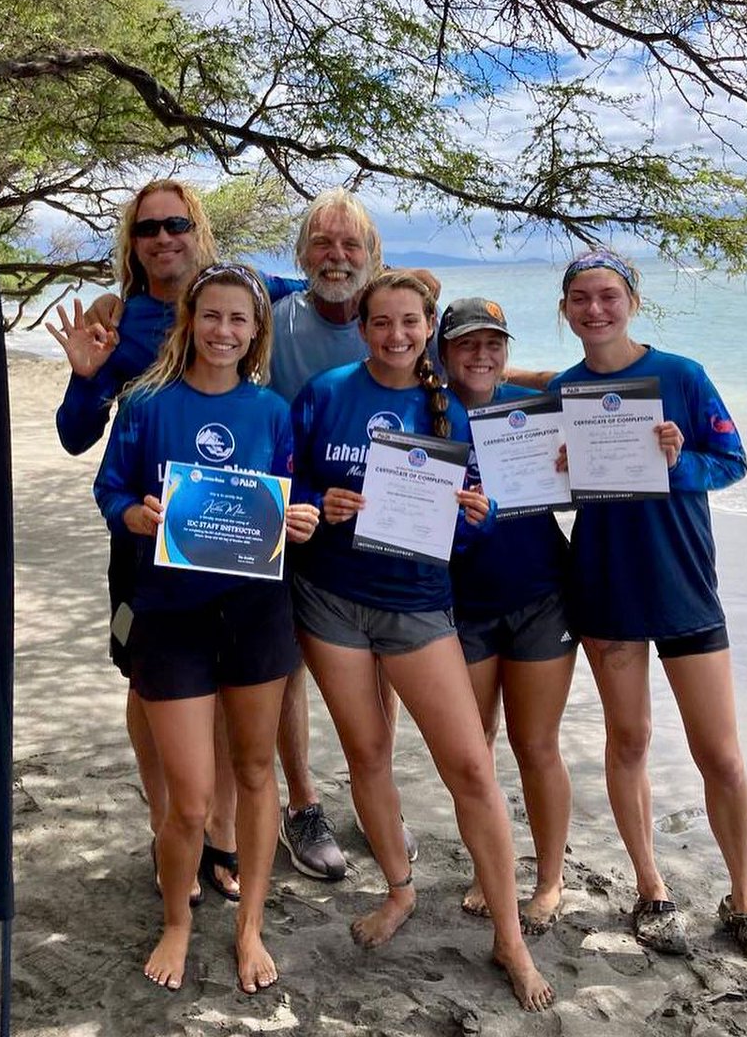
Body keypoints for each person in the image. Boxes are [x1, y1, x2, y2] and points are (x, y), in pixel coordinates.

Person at [289, 270, 554, 1012]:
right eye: (382, 323)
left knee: (469, 766)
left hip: (415, 607)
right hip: (331, 602)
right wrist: (319, 502)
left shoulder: (450, 411)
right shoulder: (326, 393)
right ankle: (399, 890)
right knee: (366, 755)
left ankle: (509, 934)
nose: (396, 336)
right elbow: (290, 482)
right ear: (363, 327)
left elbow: (476, 519)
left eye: (411, 323)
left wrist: (480, 516)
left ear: (428, 325)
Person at [50, 179, 303, 903]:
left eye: (177, 224)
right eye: (149, 228)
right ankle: (171, 826)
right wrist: (86, 378)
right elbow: (77, 439)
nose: (164, 238)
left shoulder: (245, 288)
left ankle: (221, 834)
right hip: (143, 546)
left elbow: (326, 285)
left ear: (199, 231)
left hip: (235, 542)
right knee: (150, 683)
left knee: (227, 693)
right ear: (133, 241)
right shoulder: (116, 319)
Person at [549, 247, 747, 969]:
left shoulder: (682, 376)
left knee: (720, 753)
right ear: (564, 312)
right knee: (628, 742)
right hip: (605, 587)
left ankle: (745, 899)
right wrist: (557, 468)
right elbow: (544, 483)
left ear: (633, 300)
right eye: (581, 299)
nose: (596, 309)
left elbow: (734, 461)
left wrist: (680, 459)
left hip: (685, 585)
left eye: (608, 296)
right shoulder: (564, 390)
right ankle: (651, 889)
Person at [93, 262, 320, 993]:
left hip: (256, 612)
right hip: (168, 614)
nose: (224, 331)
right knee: (190, 801)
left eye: (239, 320)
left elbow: (291, 496)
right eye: (212, 316)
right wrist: (133, 515)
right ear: (190, 321)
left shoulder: (273, 412)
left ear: (257, 334)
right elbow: (112, 487)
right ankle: (177, 922)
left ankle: (250, 925)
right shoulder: (146, 402)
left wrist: (301, 519)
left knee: (256, 774)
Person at [269, 189, 429, 878]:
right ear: (301, 254)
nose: (337, 257)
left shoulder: (395, 323)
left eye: (351, 245)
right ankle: (303, 804)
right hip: (287, 514)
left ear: (374, 258)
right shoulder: (274, 316)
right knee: (286, 670)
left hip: (386, 527)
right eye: (323, 244)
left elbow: (471, 377)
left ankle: (375, 796)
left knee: (382, 669)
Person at [439, 298, 576, 935]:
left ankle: (549, 878)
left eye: (494, 343)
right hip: (462, 605)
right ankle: (486, 867)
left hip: (542, 592)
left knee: (537, 744)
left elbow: (600, 403)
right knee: (478, 747)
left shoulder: (535, 406)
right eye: (468, 343)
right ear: (443, 352)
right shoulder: (427, 411)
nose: (482, 355)